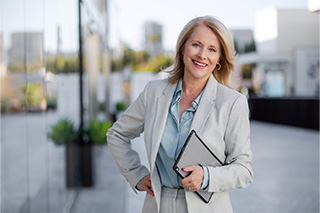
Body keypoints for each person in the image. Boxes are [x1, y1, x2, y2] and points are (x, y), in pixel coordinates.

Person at [106, 15, 253, 213]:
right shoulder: (154, 92)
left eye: (212, 49)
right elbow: (117, 134)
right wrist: (135, 174)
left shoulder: (232, 102)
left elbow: (244, 170)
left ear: (219, 59)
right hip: (158, 204)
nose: (202, 54)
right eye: (196, 44)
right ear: (183, 48)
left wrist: (207, 176)